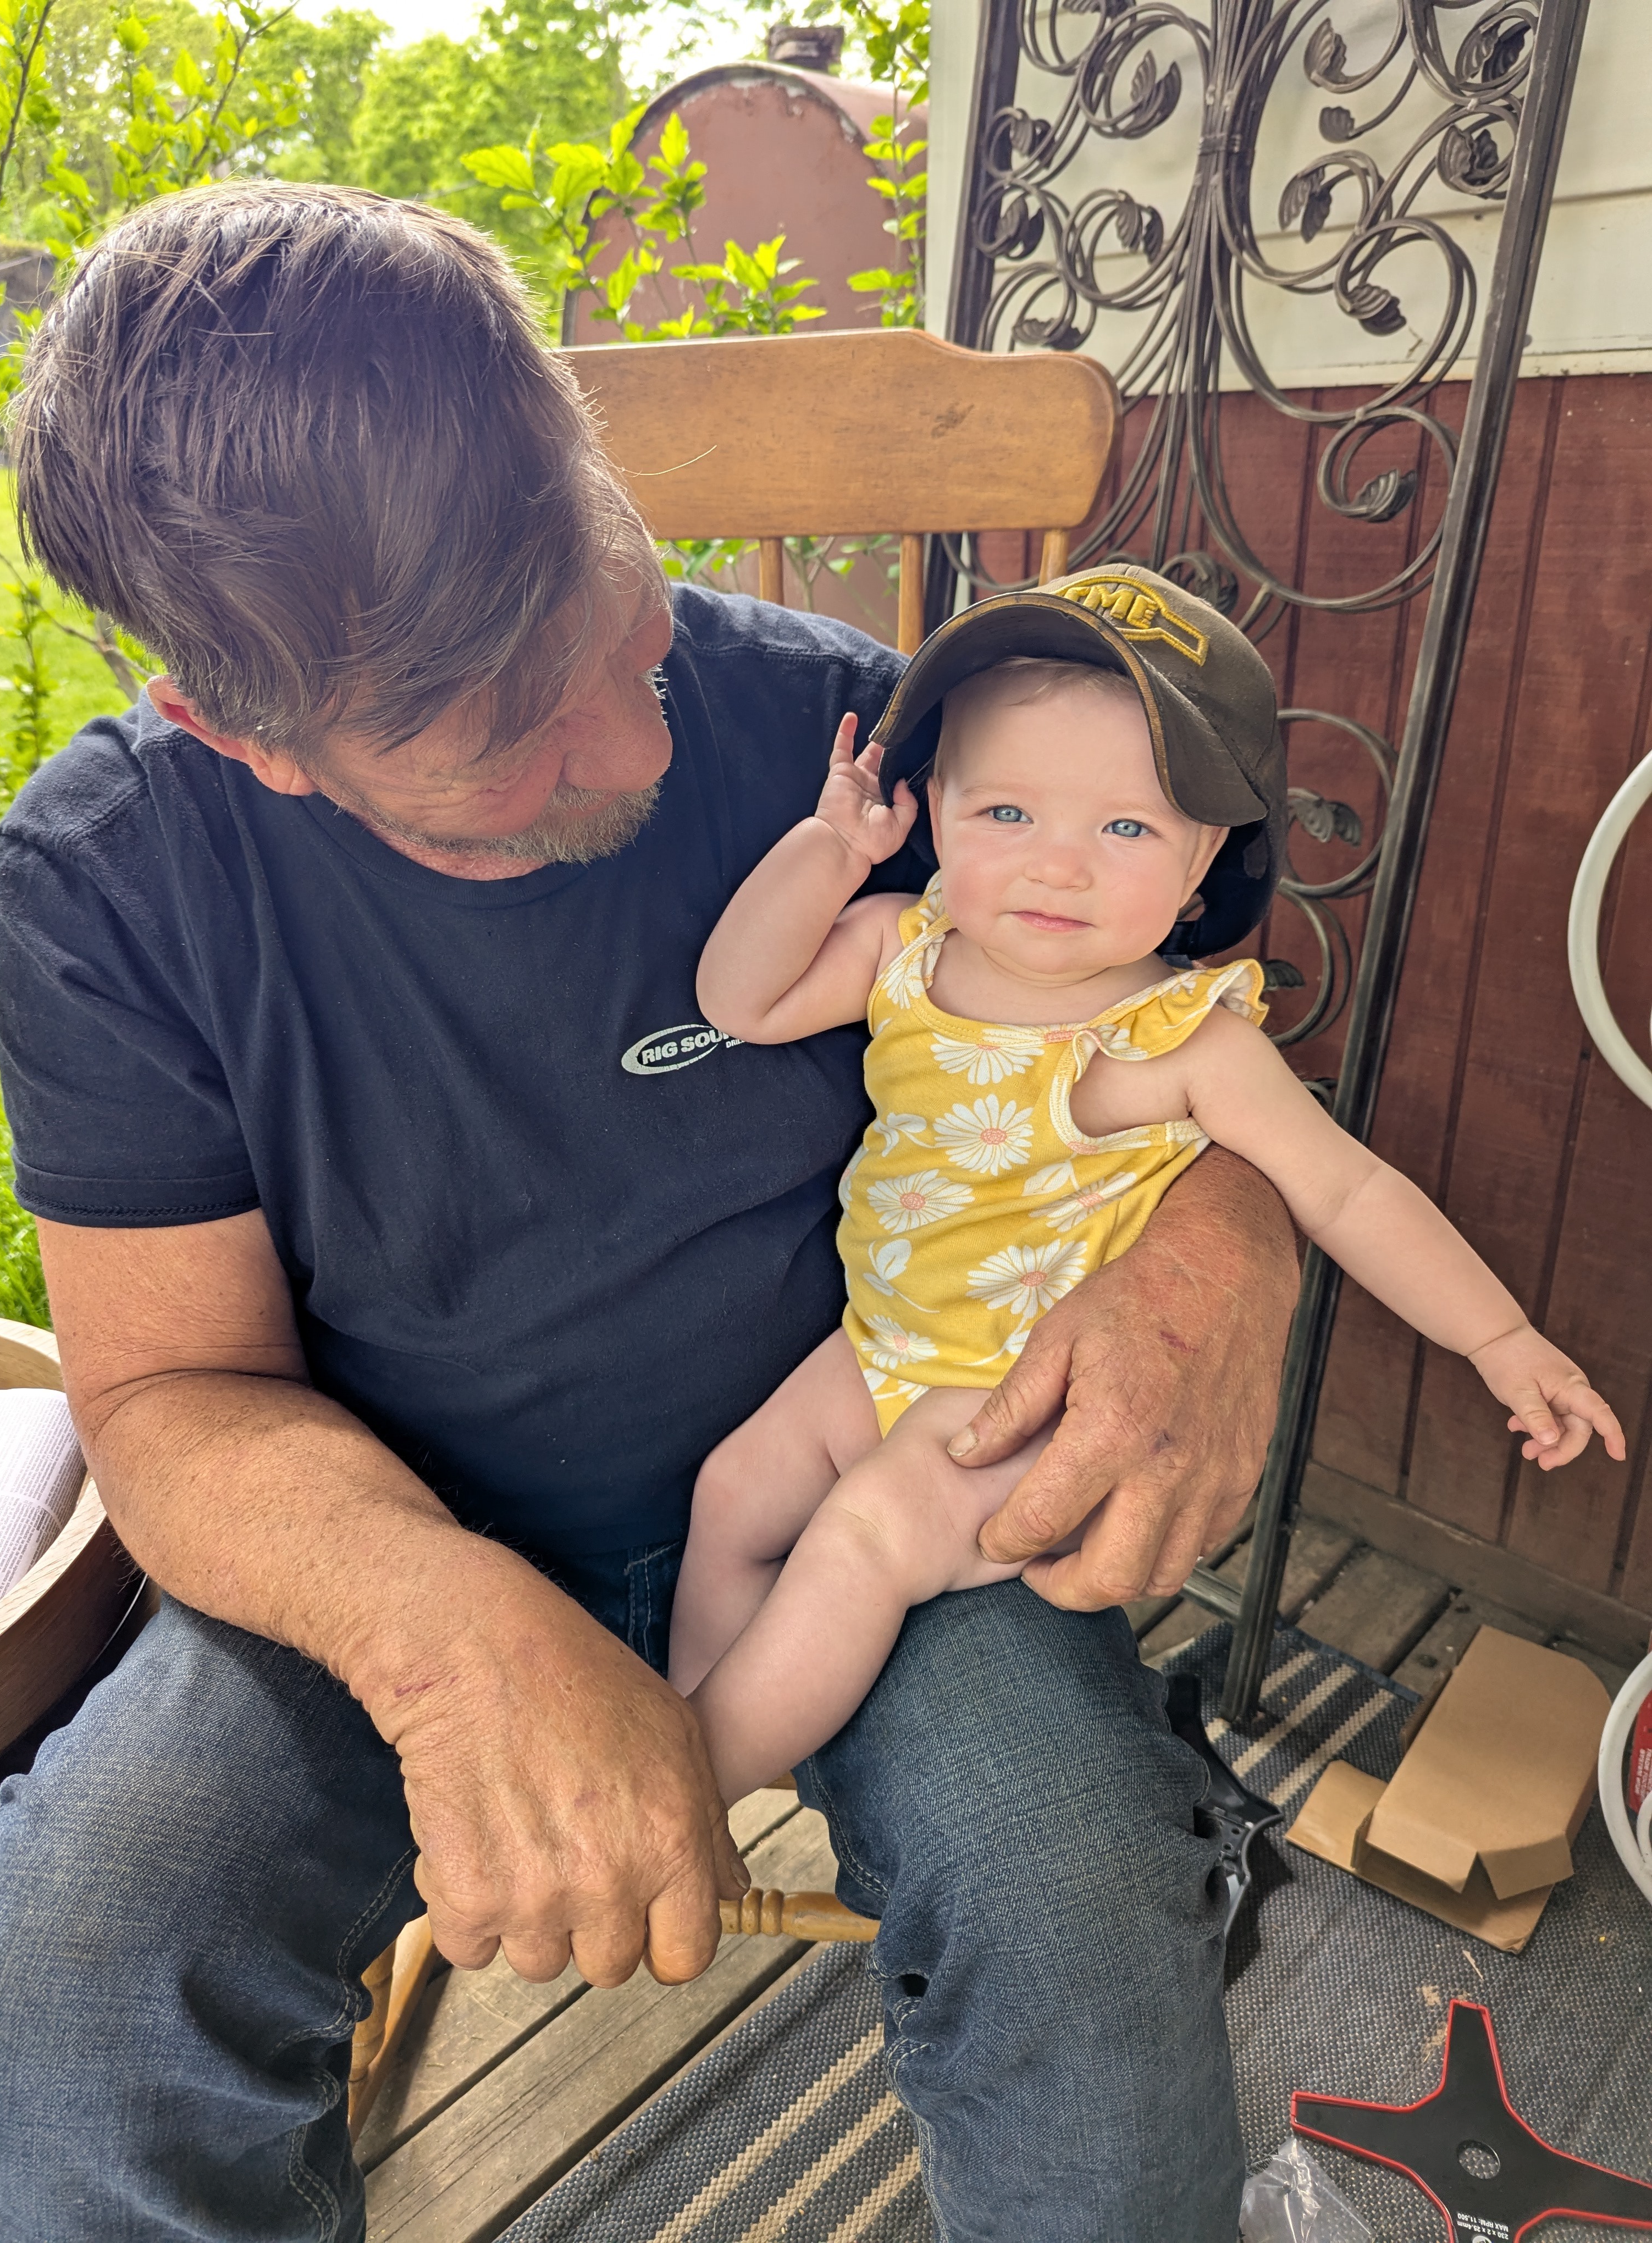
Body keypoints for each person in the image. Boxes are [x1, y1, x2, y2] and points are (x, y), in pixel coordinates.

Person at [0, 185, 1300, 2243]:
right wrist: (451, 1638)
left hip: (876, 1465)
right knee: (63, 2010)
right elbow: (170, 1397)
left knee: (1085, 1885)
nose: (629, 728)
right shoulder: (118, 882)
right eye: (506, 738)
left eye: (613, 603)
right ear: (238, 737)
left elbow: (1175, 1029)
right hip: (373, 1534)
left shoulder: (862, 742)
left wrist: (1230, 1246)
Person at [670, 592, 1625, 1802]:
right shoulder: (900, 947)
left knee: (863, 1537)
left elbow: (1348, 1192)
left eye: (1125, 826)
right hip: (880, 1347)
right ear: (938, 810)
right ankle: (693, 1735)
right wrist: (830, 848)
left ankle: (688, 1796)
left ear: (1200, 864)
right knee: (732, 1494)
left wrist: (1502, 1340)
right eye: (1006, 811)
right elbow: (738, 1001)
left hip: (1031, 1409)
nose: (1057, 863)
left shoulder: (1181, 1041)